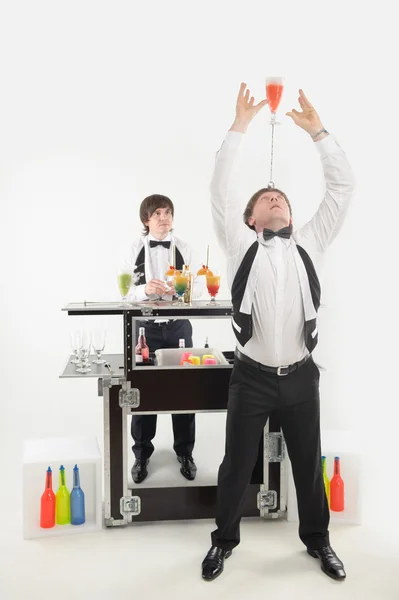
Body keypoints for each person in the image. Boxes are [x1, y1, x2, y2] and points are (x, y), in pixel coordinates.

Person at [201, 83, 355, 582]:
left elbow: (342, 188)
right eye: (267, 199)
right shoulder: (237, 244)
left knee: (308, 464)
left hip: (301, 377)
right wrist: (240, 127)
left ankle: (319, 542)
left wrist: (319, 134)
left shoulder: (312, 240)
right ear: (250, 219)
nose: (276, 199)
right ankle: (223, 543)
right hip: (251, 377)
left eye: (281, 198)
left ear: (290, 215)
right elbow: (219, 188)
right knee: (236, 464)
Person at [125, 193, 203, 484]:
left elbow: (198, 290)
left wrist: (181, 292)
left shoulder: (185, 248)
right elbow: (123, 292)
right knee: (143, 390)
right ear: (146, 219)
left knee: (185, 389)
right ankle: (141, 454)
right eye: (157, 213)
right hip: (144, 328)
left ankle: (185, 452)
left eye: (168, 212)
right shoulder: (133, 249)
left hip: (179, 327)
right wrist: (144, 291)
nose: (163, 218)